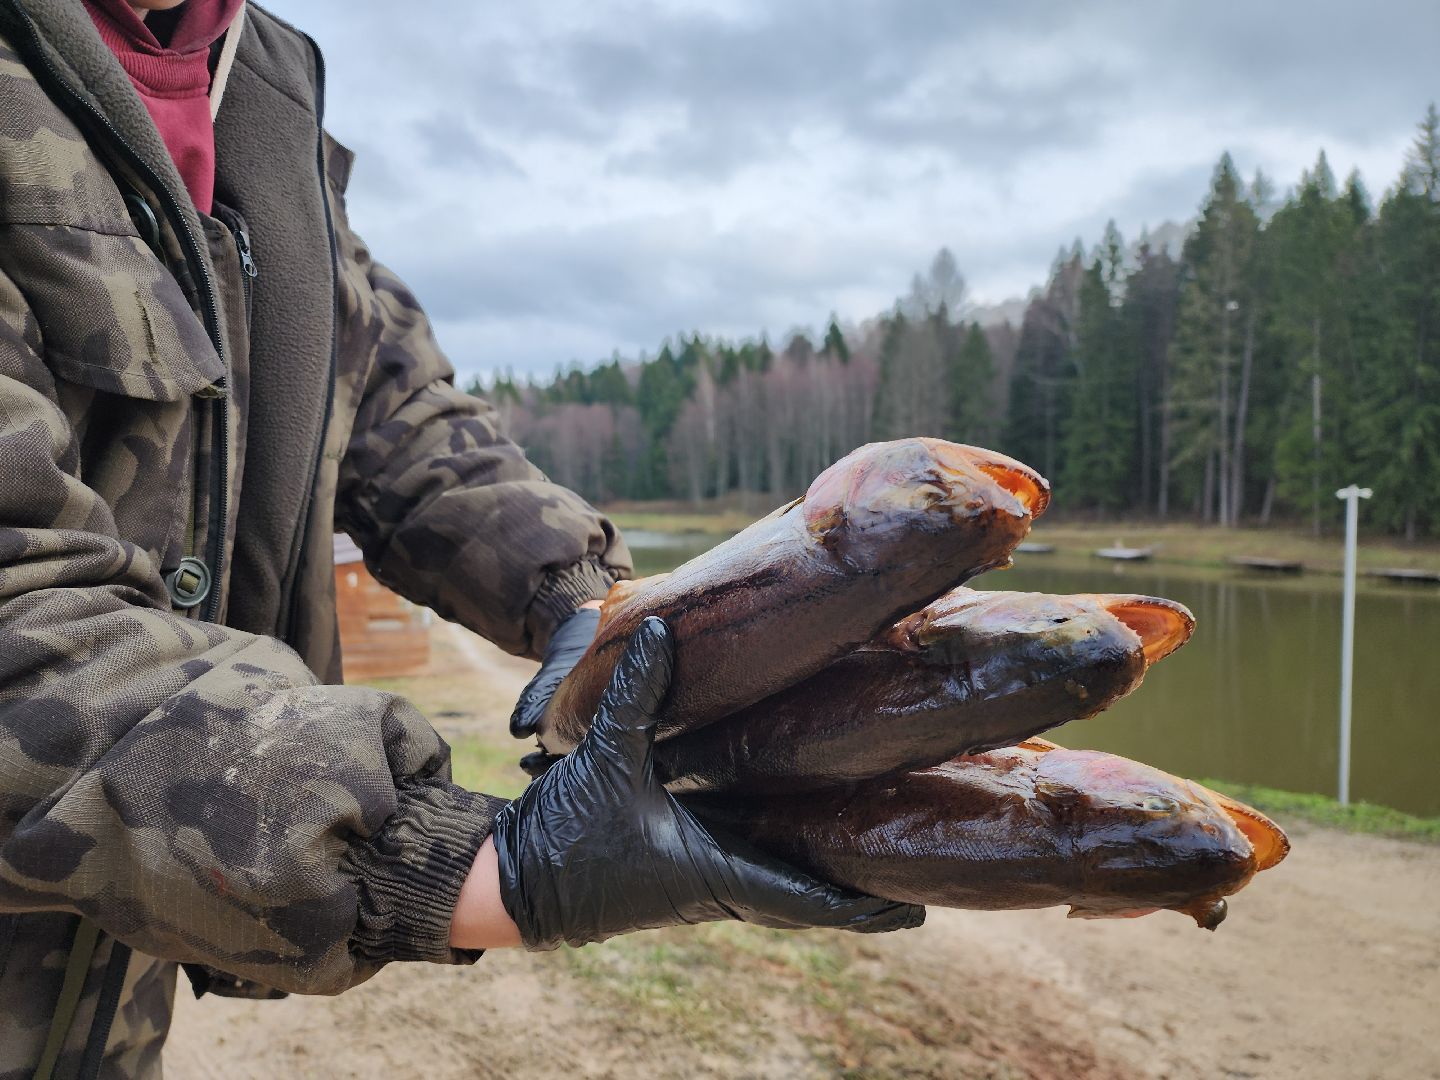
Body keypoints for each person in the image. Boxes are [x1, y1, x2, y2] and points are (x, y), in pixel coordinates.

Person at [0, 1, 922, 1076]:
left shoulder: (259, 84)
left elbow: (396, 411)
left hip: (98, 1001)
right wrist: (482, 867)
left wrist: (587, 601)